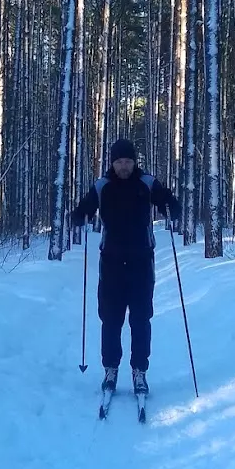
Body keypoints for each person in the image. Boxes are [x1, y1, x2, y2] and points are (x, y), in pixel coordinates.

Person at [71, 138, 181, 396]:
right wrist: (80, 214)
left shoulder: (147, 183)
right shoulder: (102, 186)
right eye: (119, 161)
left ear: (134, 162)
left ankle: (139, 371)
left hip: (142, 262)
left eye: (128, 161)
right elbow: (85, 206)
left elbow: (167, 199)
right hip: (110, 264)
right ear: (112, 162)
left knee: (141, 319)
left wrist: (171, 207)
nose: (124, 166)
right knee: (110, 319)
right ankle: (110, 368)